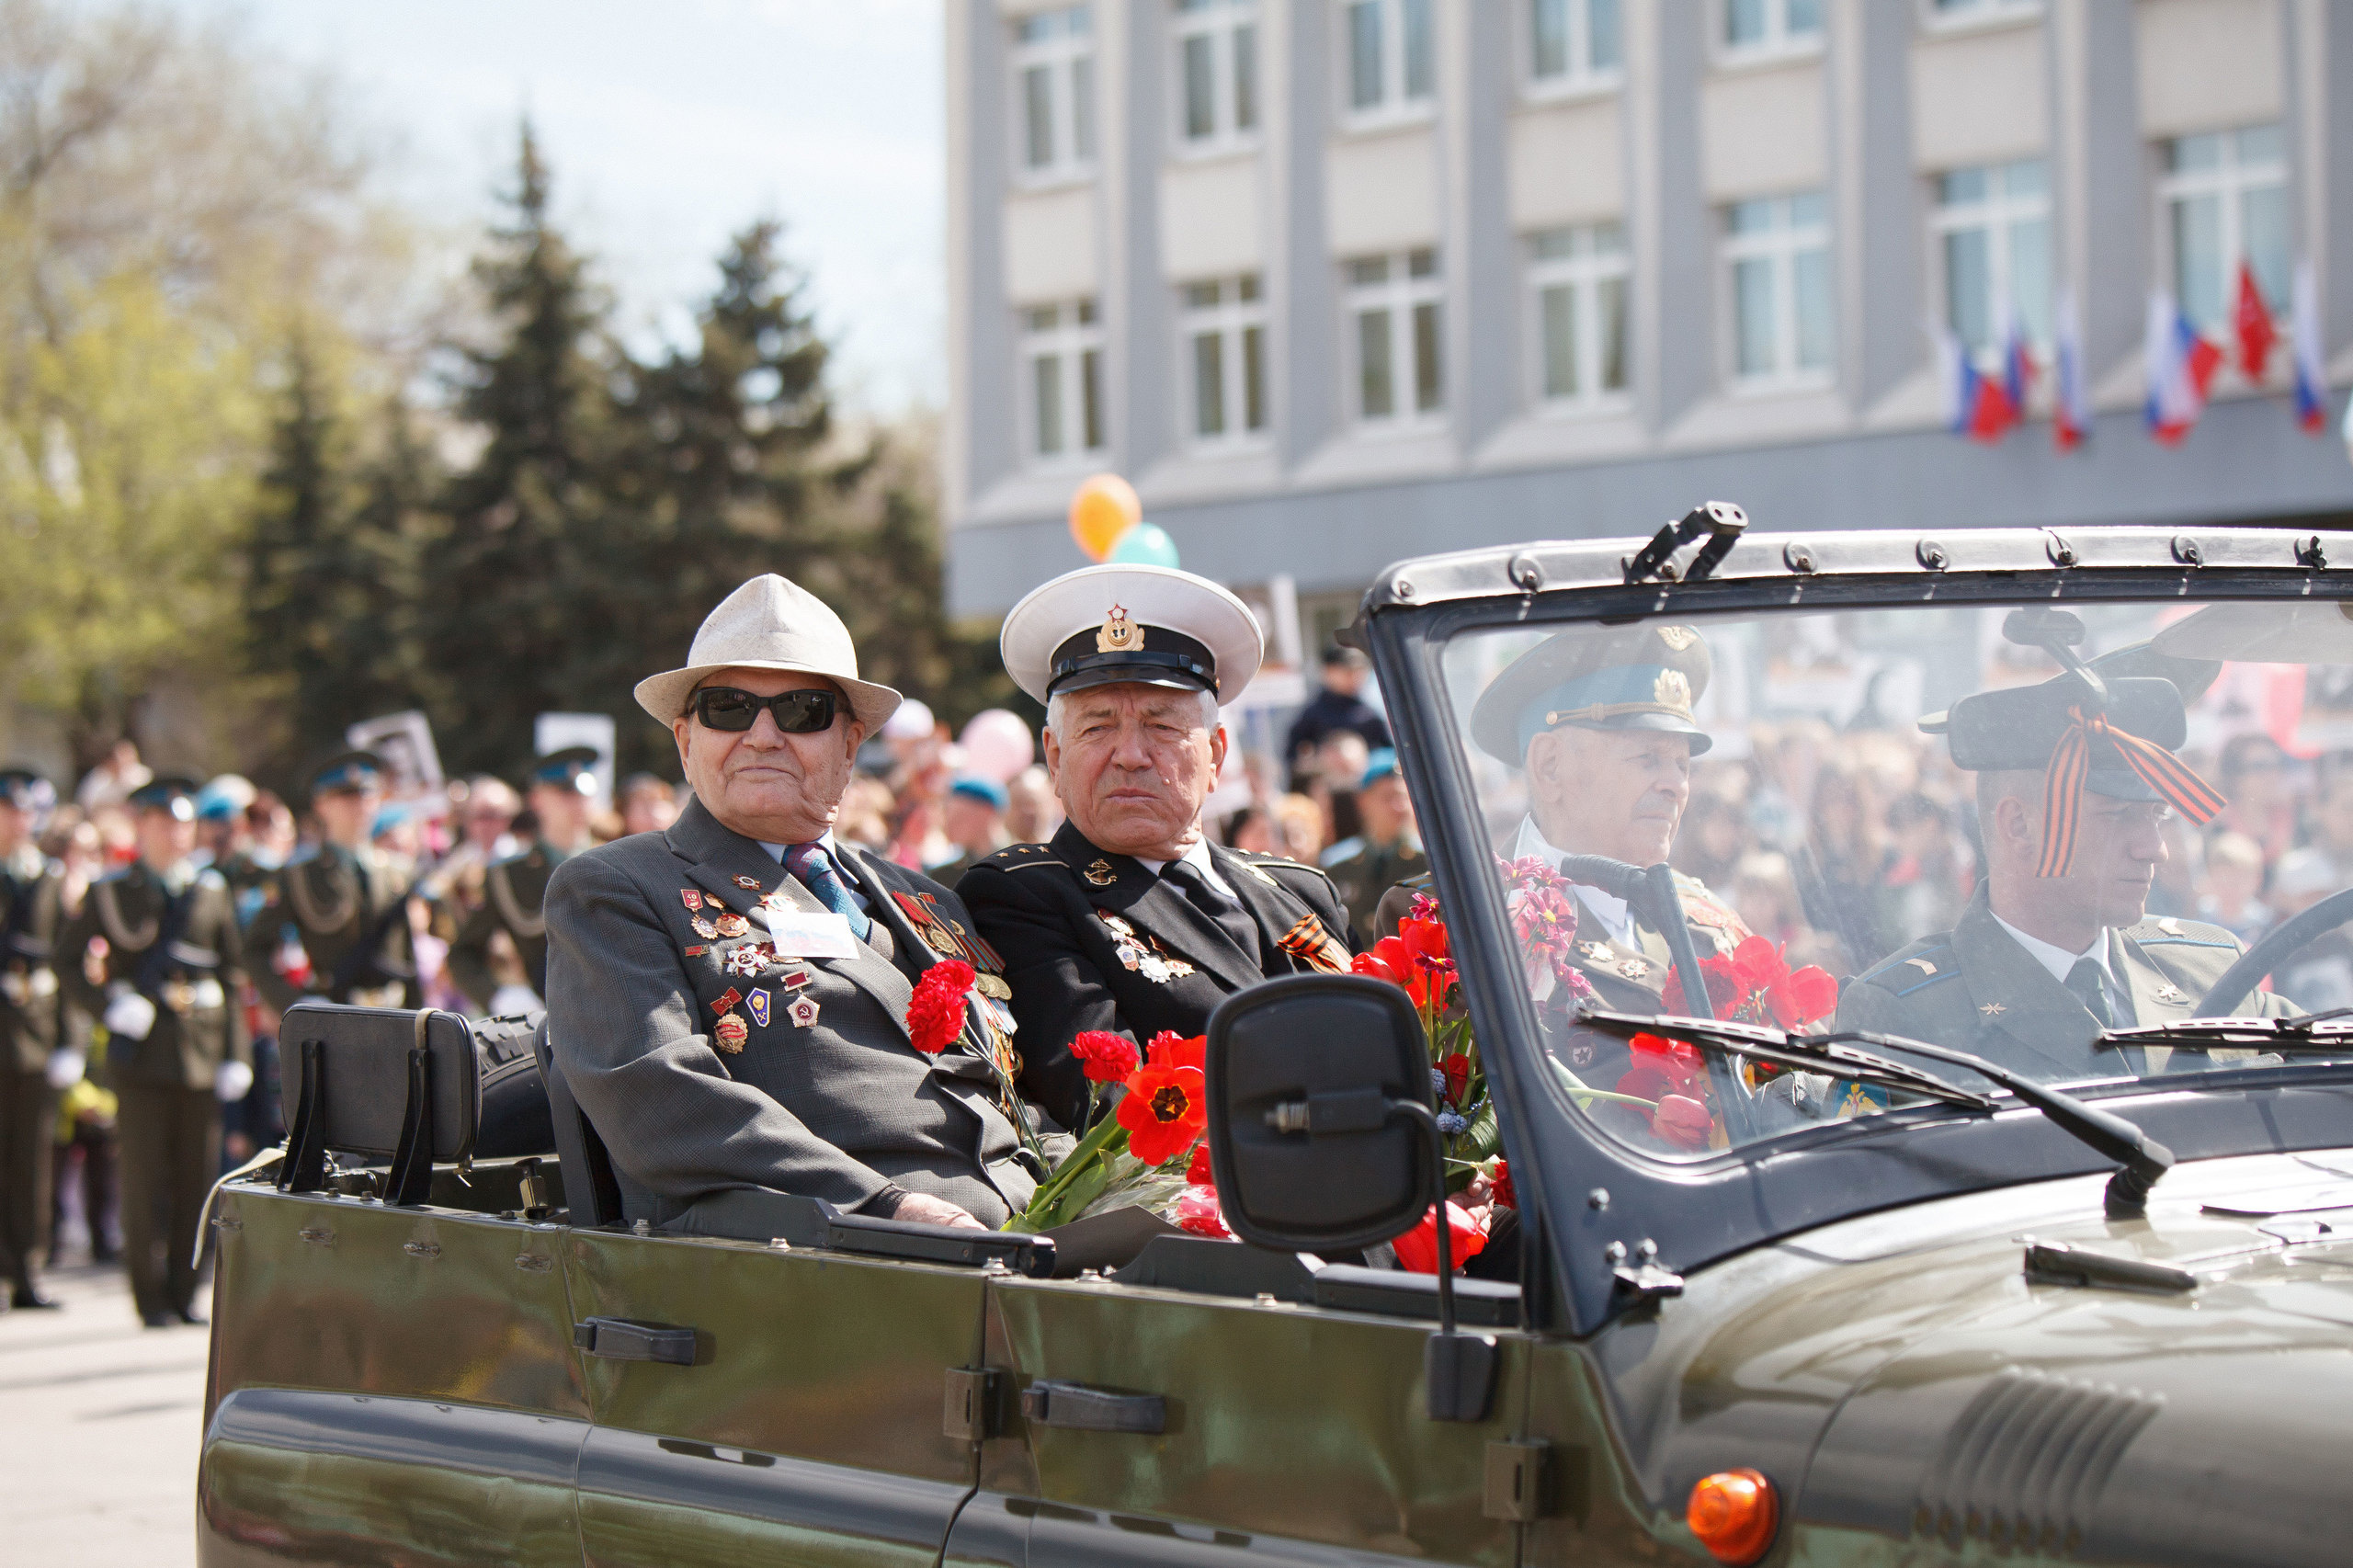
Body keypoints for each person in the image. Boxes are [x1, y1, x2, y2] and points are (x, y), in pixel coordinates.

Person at [545, 574, 1045, 1234]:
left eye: (802, 712)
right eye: (727, 708)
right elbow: (664, 1102)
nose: (761, 736)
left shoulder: (925, 897)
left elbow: (1013, 1088)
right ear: (684, 739)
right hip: (831, 1259)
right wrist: (883, 1207)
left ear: (850, 744)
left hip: (1030, 1240)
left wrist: (1088, 1184)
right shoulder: (618, 887)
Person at [962, 565, 1355, 1082]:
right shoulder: (1024, 897)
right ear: (1055, 759)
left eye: (1162, 725)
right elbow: (1108, 1114)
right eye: (1098, 726)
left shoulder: (1300, 891)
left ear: (1215, 756)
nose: (1129, 755)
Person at [1838, 673, 2294, 1082]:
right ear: (2019, 825)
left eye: (2158, 815)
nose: (2154, 847)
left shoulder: (2211, 969)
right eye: (2117, 816)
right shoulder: (1904, 1015)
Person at [1458, 620, 1755, 1032]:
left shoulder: (1710, 924)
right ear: (1551, 765)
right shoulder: (1457, 922)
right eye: (1648, 758)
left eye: (1682, 764)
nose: (1676, 785)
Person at [59, 777, 249, 1326]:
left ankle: (184, 1289)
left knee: (197, 1178)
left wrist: (235, 1052)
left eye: (183, 822)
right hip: (140, 1056)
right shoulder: (113, 889)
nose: (175, 832)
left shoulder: (210, 889)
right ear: (140, 825)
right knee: (143, 1181)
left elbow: (231, 975)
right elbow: (68, 962)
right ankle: (149, 1298)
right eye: (163, 822)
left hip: (200, 1051)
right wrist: (107, 1006)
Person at [252, 752, 417, 1012]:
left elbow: (409, 956)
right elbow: (254, 950)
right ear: (321, 805)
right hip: (334, 1014)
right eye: (346, 797)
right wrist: (294, 1003)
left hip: (396, 1013)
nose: (360, 805)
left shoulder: (398, 872)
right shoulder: (299, 876)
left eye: (367, 794)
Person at [448, 747, 599, 1017]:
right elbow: (462, 954)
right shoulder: (509, 875)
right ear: (537, 799)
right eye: (565, 793)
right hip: (551, 1018)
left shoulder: (617, 861)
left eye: (583, 794)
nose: (578, 803)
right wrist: (499, 996)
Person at [1, 769, 66, 1308]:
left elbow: (64, 962)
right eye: (8, 809)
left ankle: (27, 1270)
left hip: (34, 1032)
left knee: (31, 1160)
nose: (18, 821)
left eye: (24, 811)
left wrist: (67, 1038)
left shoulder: (46, 875)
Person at [1323, 748, 1423, 941]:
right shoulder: (1336, 866)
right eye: (1388, 798)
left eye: (1403, 797)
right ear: (1363, 802)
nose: (1399, 807)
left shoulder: (1428, 862)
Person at [1283, 643, 1391, 780]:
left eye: (1360, 671)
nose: (1355, 677)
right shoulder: (1313, 714)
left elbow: (1388, 756)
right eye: (1348, 671)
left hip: (1364, 787)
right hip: (1326, 788)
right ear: (1328, 671)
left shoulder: (1370, 715)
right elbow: (1294, 759)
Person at [928, 777, 1009, 890]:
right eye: (947, 816)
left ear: (987, 814)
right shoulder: (944, 875)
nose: (948, 825)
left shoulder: (1019, 864)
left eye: (959, 817)